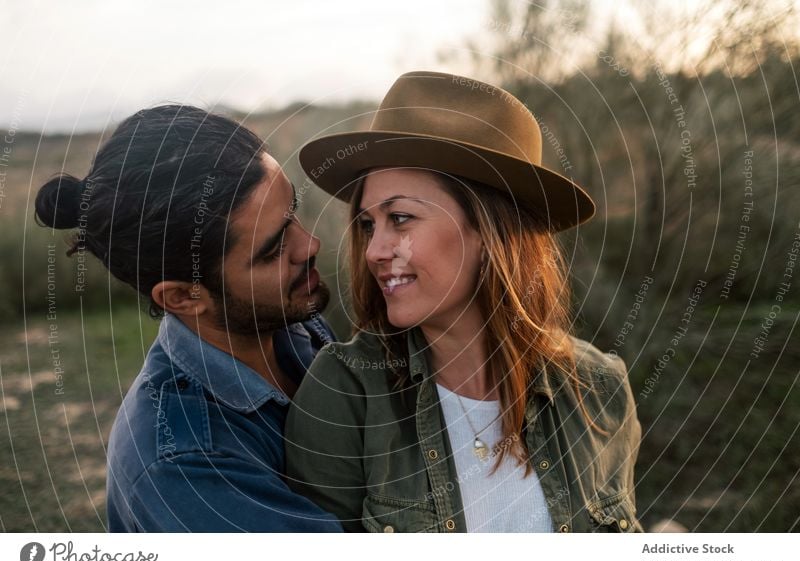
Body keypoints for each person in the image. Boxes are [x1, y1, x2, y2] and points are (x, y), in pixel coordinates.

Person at [285, 71, 643, 533]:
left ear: (490, 232)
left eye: (400, 218)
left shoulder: (600, 389)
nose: (374, 250)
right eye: (369, 225)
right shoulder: (345, 394)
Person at [35, 105, 341, 532]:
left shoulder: (287, 322)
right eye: (271, 250)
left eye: (292, 213)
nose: (310, 244)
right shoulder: (185, 464)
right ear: (182, 296)